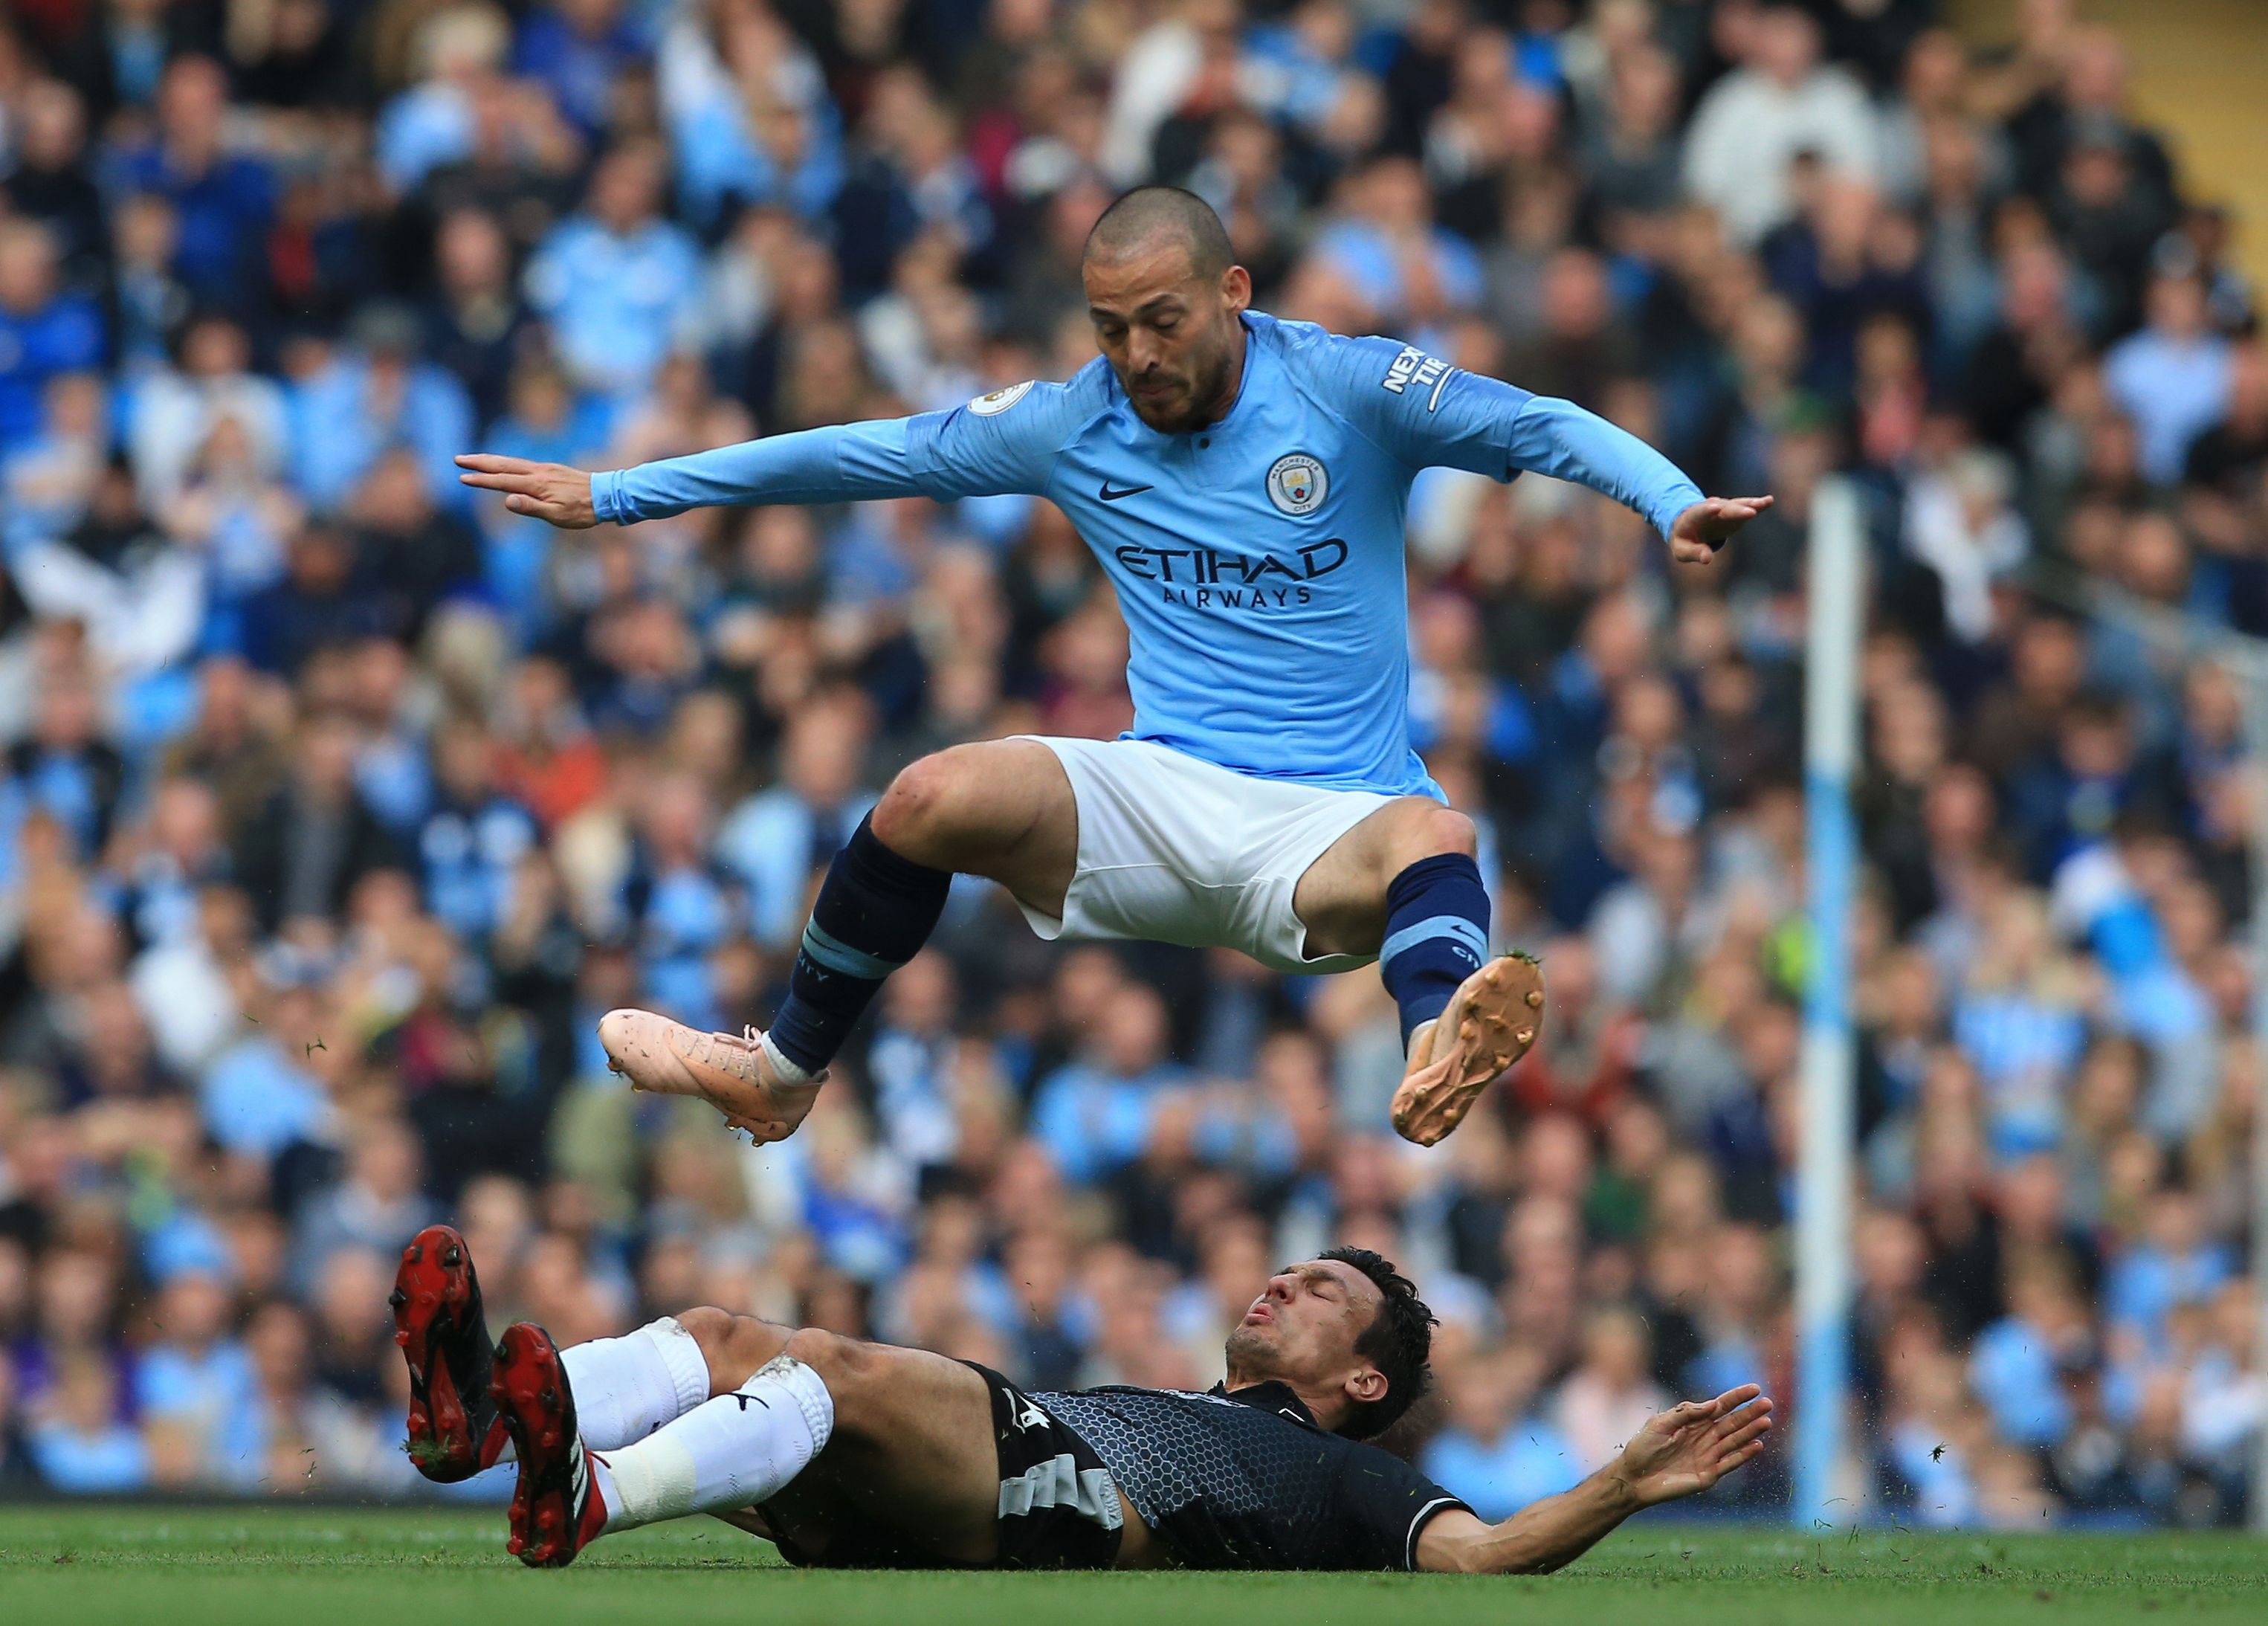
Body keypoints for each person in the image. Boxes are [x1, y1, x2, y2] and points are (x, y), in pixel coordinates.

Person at [457, 186, 1770, 1150]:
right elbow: (861, 456)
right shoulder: (1071, 420)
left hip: (1330, 825)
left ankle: (1434, 1044)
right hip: (1159, 792)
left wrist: (1668, 501)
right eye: (1109, 328)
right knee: (927, 797)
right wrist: (620, 494)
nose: (1137, 356)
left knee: (1443, 828)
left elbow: (1533, 424)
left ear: (1235, 294)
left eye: (1162, 321)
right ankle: (784, 1072)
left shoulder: (1351, 389)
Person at [390, 1224, 1773, 1570]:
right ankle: (486, 1423)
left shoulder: (1350, 1475)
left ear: (1366, 1379)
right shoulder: (1204, 1394)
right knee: (719, 1330)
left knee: (830, 1368)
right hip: (997, 1489)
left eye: (1323, 1294)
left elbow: (1480, 1556)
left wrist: (1625, 1485)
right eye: (1287, 1272)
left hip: (1068, 1492)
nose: (1283, 1287)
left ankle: (583, 1492)